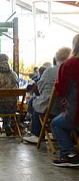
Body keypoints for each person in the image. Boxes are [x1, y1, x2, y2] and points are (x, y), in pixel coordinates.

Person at [23, 47, 71, 144]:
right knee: (38, 102)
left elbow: (40, 88)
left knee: (36, 102)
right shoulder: (72, 71)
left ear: (57, 58)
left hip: (52, 107)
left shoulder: (49, 71)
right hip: (67, 108)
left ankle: (36, 134)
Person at [51, 34, 79, 167]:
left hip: (75, 113)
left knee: (56, 124)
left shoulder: (70, 64)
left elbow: (60, 91)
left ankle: (68, 153)